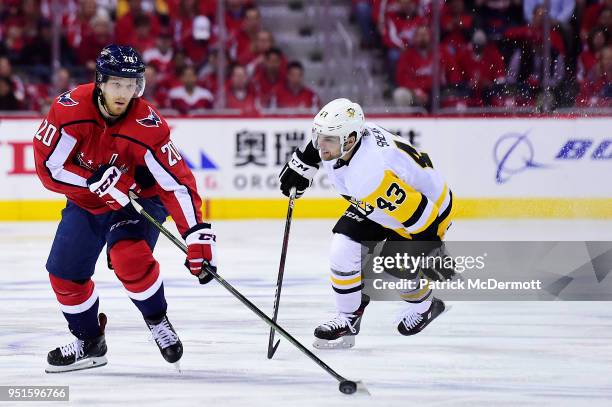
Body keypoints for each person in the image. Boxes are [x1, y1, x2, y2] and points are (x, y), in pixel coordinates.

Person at [33, 45, 217, 373]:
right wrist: (92, 182)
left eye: (131, 85)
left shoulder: (148, 124)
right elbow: (49, 167)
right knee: (64, 274)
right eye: (116, 83)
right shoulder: (68, 109)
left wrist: (195, 233)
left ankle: (157, 319)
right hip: (88, 202)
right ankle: (89, 343)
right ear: (101, 82)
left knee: (128, 256)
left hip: (139, 199)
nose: (124, 93)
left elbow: (176, 182)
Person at [278, 98, 454, 349]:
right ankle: (348, 318)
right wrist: (303, 163)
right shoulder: (347, 138)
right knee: (342, 248)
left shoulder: (369, 174)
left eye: (327, 140)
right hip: (383, 201)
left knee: (399, 273)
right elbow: (321, 138)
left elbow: (422, 216)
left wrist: (428, 249)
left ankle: (426, 307)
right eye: (319, 137)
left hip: (426, 212)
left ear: (349, 141)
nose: (320, 146)